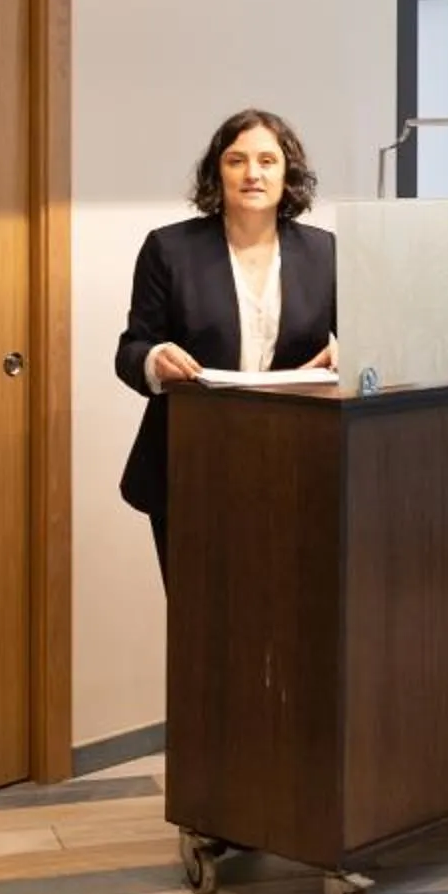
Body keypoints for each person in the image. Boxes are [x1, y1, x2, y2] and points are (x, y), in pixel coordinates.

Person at [114, 108, 337, 577]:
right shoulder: (169, 249)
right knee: (200, 611)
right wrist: (155, 359)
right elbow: (131, 350)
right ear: (217, 172)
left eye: (267, 161)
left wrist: (348, 353)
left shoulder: (325, 252)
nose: (252, 173)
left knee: (288, 608)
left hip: (296, 463)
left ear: (288, 174)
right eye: (236, 160)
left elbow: (366, 343)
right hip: (190, 464)